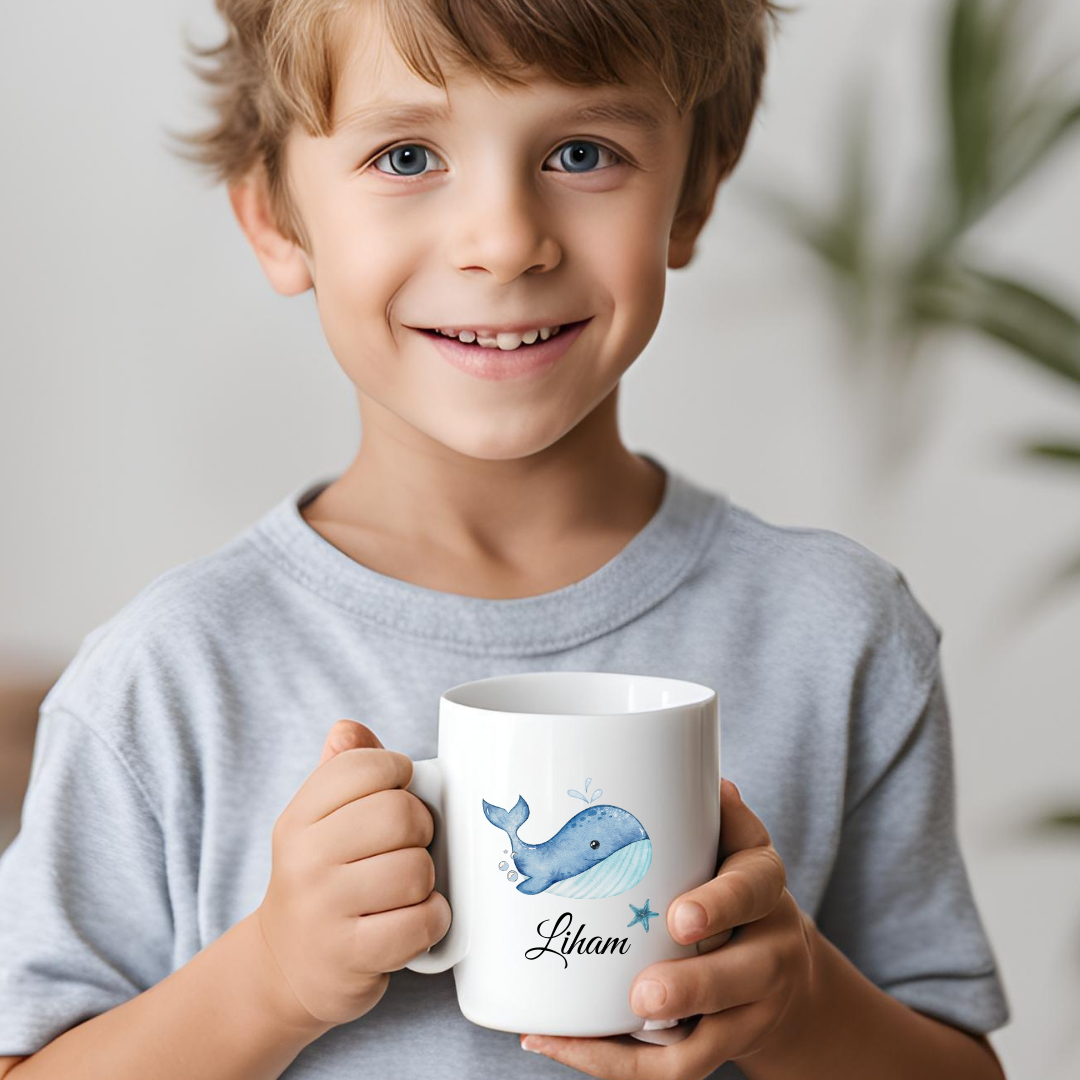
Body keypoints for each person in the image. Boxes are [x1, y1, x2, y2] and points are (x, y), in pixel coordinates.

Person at [0, 1, 1010, 1078]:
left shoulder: (838, 634)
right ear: (276, 219)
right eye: (405, 155)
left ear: (697, 188)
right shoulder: (169, 676)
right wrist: (266, 981)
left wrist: (800, 1001)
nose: (505, 241)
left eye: (583, 153)